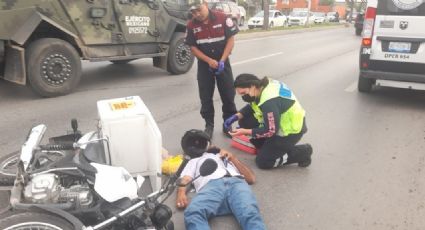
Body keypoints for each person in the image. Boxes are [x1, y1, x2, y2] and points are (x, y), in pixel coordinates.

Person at [176, 129, 266, 230]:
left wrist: (233, 158)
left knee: (249, 213)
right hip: (211, 187)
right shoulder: (194, 161)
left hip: (236, 183)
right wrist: (181, 193)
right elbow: (185, 178)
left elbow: (251, 178)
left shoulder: (224, 155)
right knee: (193, 213)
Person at [224, 73, 313, 169]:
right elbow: (253, 105)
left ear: (253, 86)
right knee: (244, 121)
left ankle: (303, 152)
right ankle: (269, 147)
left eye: (244, 93)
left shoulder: (269, 102)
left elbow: (271, 130)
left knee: (263, 162)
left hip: (290, 130)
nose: (243, 97)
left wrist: (244, 132)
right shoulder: (263, 86)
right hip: (277, 121)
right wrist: (236, 116)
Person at [185, 0, 238, 139]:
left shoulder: (223, 18)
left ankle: (228, 124)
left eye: (199, 10)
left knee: (228, 95)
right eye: (193, 12)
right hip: (204, 65)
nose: (197, 14)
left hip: (223, 62)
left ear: (206, 5)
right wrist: (208, 61)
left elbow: (231, 40)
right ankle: (209, 126)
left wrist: (222, 60)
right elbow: (193, 47)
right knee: (205, 97)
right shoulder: (191, 25)